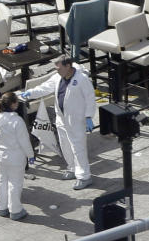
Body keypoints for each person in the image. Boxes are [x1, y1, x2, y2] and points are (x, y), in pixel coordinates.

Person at [20, 54, 97, 190]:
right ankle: (72, 168)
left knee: (78, 148)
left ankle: (84, 176)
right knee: (65, 145)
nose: (57, 70)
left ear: (68, 66)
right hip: (61, 118)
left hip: (76, 120)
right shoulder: (58, 77)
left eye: (59, 68)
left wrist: (89, 117)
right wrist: (30, 93)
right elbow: (45, 88)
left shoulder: (81, 79)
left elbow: (90, 98)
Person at [0, 90, 35, 220]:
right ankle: (15, 210)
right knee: (15, 183)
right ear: (14, 105)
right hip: (15, 157)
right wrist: (30, 155)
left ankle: (1, 208)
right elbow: (24, 141)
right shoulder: (17, 121)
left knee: (1, 181)